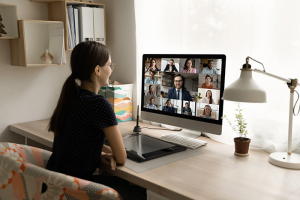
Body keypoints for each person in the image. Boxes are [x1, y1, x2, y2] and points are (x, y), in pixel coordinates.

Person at [46, 42, 146, 200]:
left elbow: (75, 143)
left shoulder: (71, 97)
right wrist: (106, 153)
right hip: (74, 190)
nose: (111, 70)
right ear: (97, 70)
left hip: (54, 185)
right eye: (109, 65)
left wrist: (98, 155)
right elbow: (121, 158)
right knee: (138, 189)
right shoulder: (99, 104)